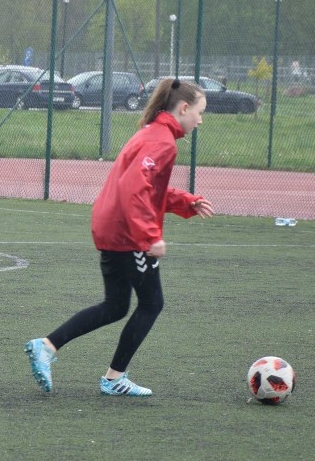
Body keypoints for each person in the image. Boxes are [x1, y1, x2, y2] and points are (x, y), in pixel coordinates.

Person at [25, 78, 214, 396]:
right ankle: (113, 378)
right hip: (127, 233)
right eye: (200, 112)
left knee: (115, 305)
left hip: (112, 225)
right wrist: (150, 235)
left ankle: (47, 346)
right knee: (152, 302)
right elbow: (133, 189)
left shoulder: (154, 134)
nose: (200, 119)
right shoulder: (163, 142)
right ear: (183, 108)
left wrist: (185, 202)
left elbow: (148, 189)